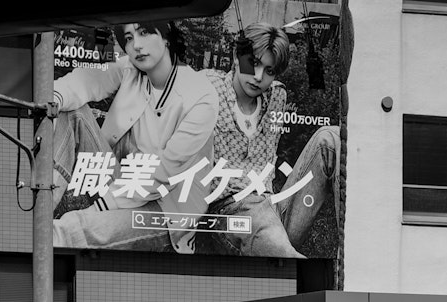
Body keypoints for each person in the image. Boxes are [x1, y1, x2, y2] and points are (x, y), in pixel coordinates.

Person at [49, 21, 219, 254]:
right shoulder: (131, 70)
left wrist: (100, 207)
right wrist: (53, 100)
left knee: (73, 228)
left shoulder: (201, 97)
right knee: (73, 111)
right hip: (119, 184)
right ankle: (41, 205)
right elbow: (87, 80)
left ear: (167, 36)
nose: (136, 45)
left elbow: (162, 176)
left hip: (163, 209)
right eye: (128, 38)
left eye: (144, 33)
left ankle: (34, 248)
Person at [199, 23, 340, 257]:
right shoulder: (207, 87)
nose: (258, 77)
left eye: (269, 70)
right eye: (253, 63)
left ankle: (351, 246)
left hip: (271, 211)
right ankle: (302, 274)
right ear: (237, 56)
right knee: (254, 208)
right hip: (228, 215)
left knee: (331, 139)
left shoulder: (276, 95)